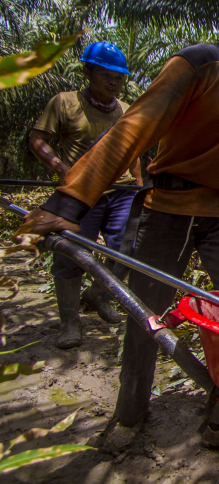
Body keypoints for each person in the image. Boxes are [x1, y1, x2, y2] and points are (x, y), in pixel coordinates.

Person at [18, 0, 219, 428]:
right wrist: (68, 203)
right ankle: (130, 416)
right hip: (168, 207)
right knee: (145, 317)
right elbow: (132, 131)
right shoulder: (198, 64)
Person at [29, 41, 141, 349]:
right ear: (88, 72)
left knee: (126, 250)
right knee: (71, 254)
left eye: (119, 78)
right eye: (106, 75)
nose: (114, 82)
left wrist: (141, 186)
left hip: (121, 192)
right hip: (81, 193)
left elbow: (133, 152)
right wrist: (60, 167)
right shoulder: (64, 103)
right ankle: (70, 322)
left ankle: (99, 295)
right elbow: (38, 139)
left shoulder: (125, 111)